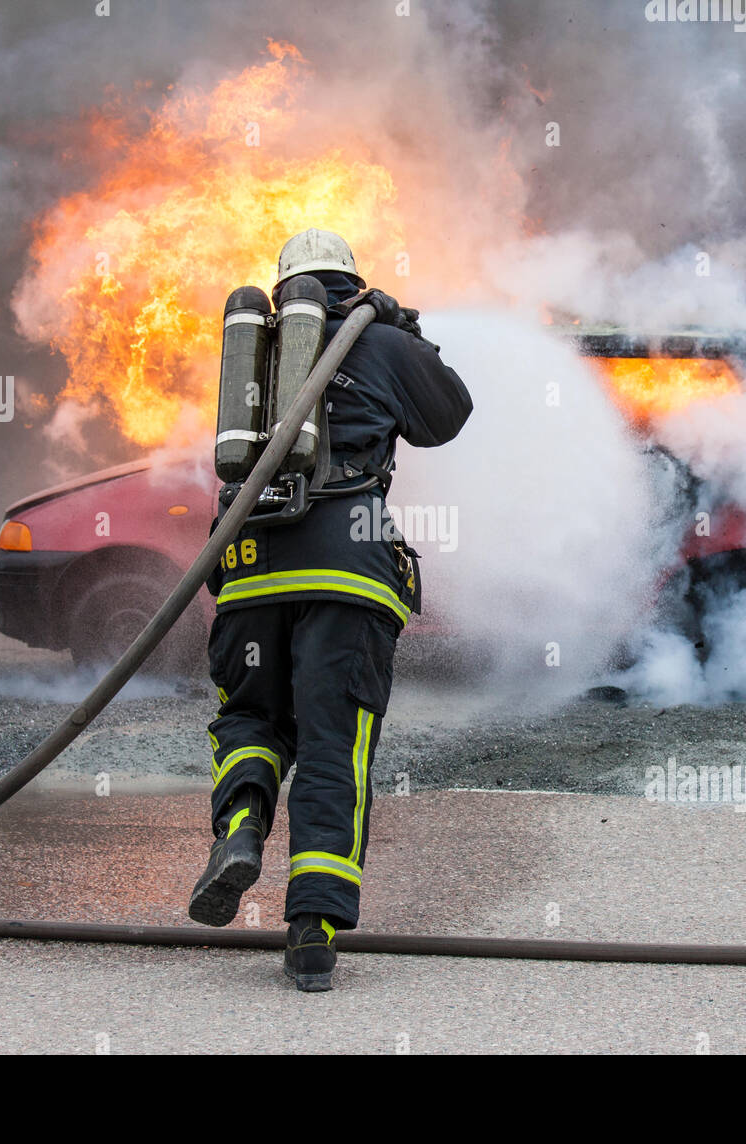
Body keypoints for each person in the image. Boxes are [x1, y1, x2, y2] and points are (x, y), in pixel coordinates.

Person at [189, 228, 473, 991]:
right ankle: (310, 933)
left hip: (247, 567)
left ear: (283, 288)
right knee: (331, 744)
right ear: (354, 282)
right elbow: (450, 415)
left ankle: (243, 828)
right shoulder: (378, 342)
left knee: (249, 719)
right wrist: (404, 328)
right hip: (346, 569)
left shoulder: (256, 352)